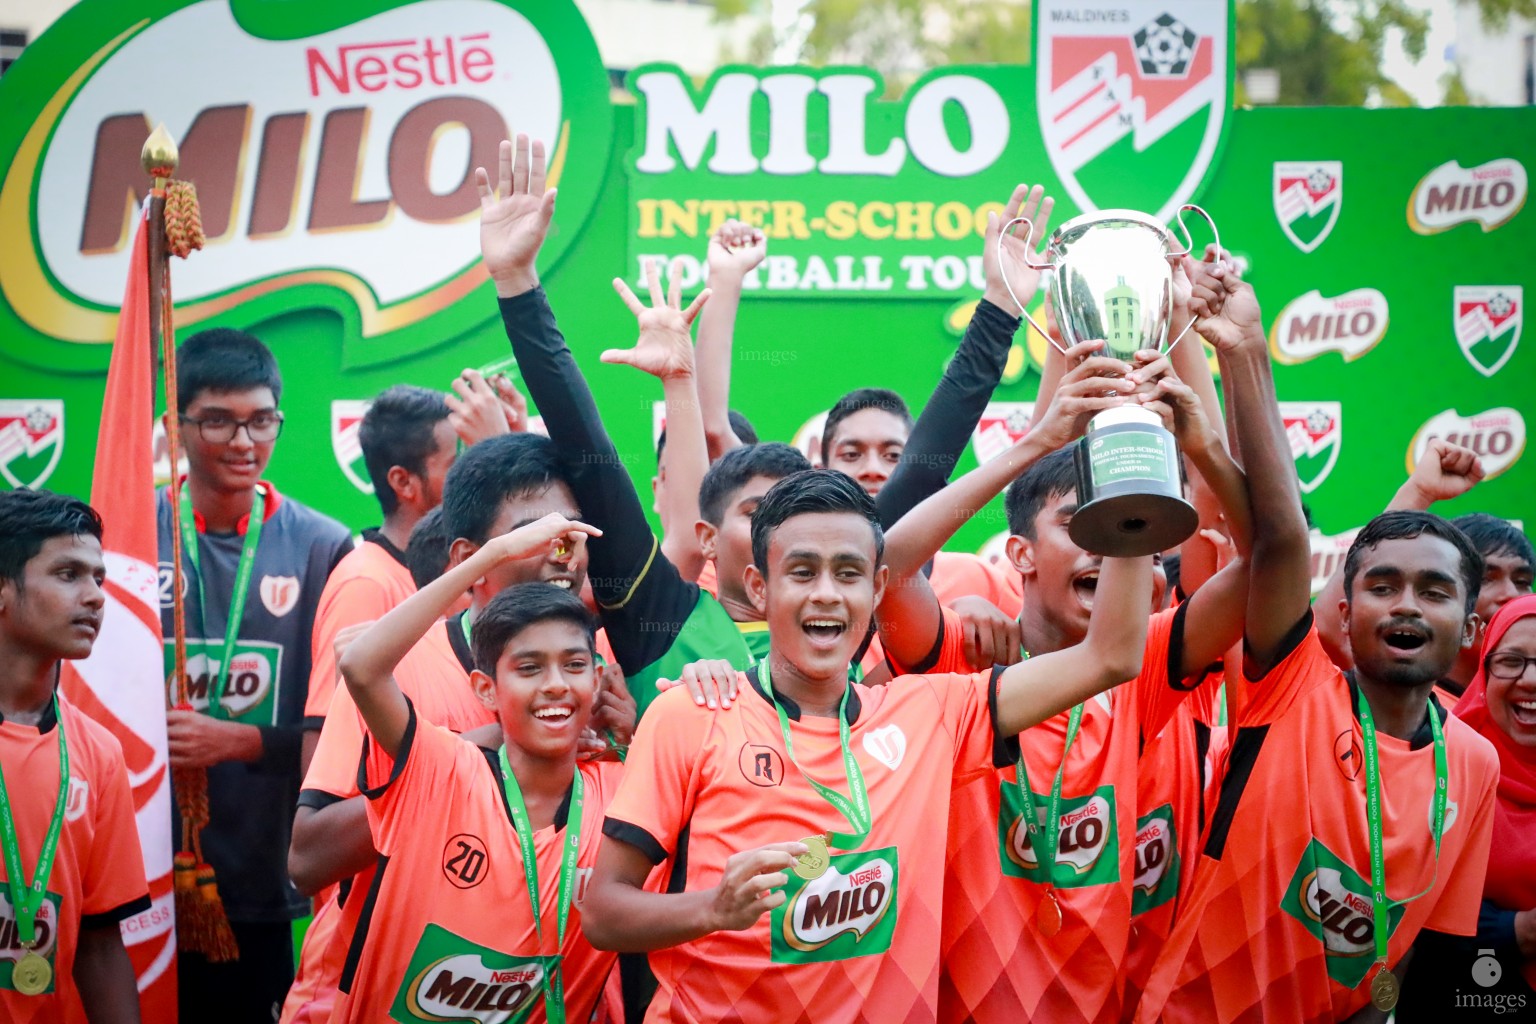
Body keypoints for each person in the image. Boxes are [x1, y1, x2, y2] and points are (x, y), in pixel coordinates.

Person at [582, 469, 1156, 1022]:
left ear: (878, 587)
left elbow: (1110, 656)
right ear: (760, 587)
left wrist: (1130, 487)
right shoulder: (690, 713)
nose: (827, 595)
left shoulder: (932, 712)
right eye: (802, 572)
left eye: (849, 572)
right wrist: (713, 909)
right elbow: (604, 913)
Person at [1133, 259, 1502, 1023]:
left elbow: (1438, 955)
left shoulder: (1474, 761)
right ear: (1343, 612)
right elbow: (1279, 537)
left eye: (1434, 592)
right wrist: (1246, 353)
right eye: (1380, 586)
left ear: (1469, 627)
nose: (1406, 605)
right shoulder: (1290, 683)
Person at [870, 312, 1254, 1023]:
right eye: (1082, 521)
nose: (1103, 542)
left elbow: (1266, 563)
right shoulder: (960, 659)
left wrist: (1177, 454)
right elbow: (884, 571)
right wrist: (1034, 446)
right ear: (1018, 555)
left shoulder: (1143, 667)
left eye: (1118, 521)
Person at [282, 432, 624, 1024]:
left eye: (573, 531)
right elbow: (308, 857)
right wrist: (475, 755)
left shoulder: (600, 670)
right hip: (373, 997)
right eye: (536, 533)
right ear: (471, 560)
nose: (561, 550)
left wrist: (633, 737)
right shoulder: (403, 667)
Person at [157, 327, 353, 1022]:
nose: (243, 440)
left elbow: (336, 731)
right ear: (174, 424)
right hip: (142, 867)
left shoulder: (323, 545)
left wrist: (235, 742)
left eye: (260, 420)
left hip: (259, 866)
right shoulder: (130, 531)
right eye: (218, 420)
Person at [0, 489, 149, 1024]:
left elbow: (101, 946)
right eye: (68, 574)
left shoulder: (98, 754)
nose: (95, 597)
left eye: (99, 578)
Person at [1397, 594, 1536, 1017]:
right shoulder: (1441, 768)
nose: (1530, 680)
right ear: (1484, 672)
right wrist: (1515, 931)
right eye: (1511, 661)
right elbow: (1397, 905)